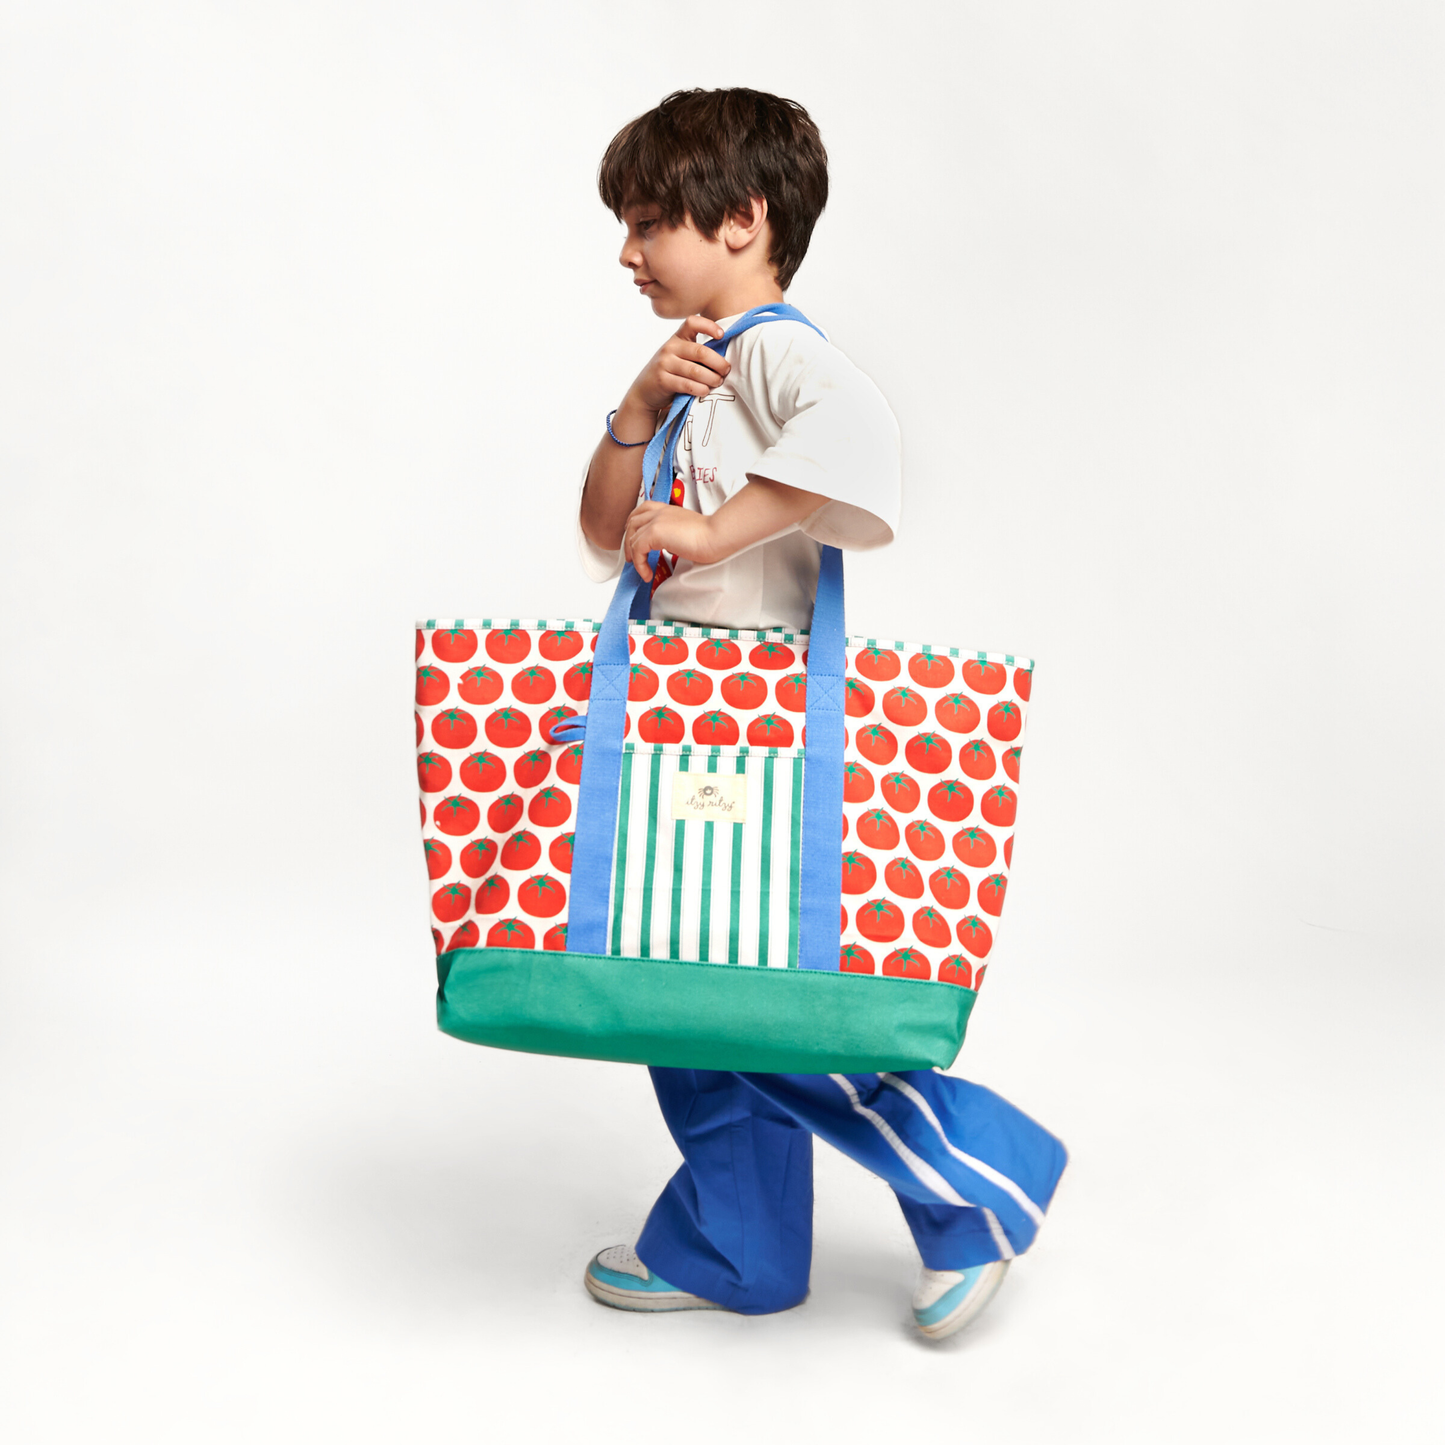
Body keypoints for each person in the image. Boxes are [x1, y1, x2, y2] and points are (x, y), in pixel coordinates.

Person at [576, 88, 1067, 1340]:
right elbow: (597, 534)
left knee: (745, 995)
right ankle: (738, 1243)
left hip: (748, 718)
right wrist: (635, 416)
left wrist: (707, 526)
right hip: (685, 710)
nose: (626, 251)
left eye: (646, 221)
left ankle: (976, 1184)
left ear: (740, 219)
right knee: (676, 989)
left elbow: (856, 440)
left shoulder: (777, 352)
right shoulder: (694, 370)